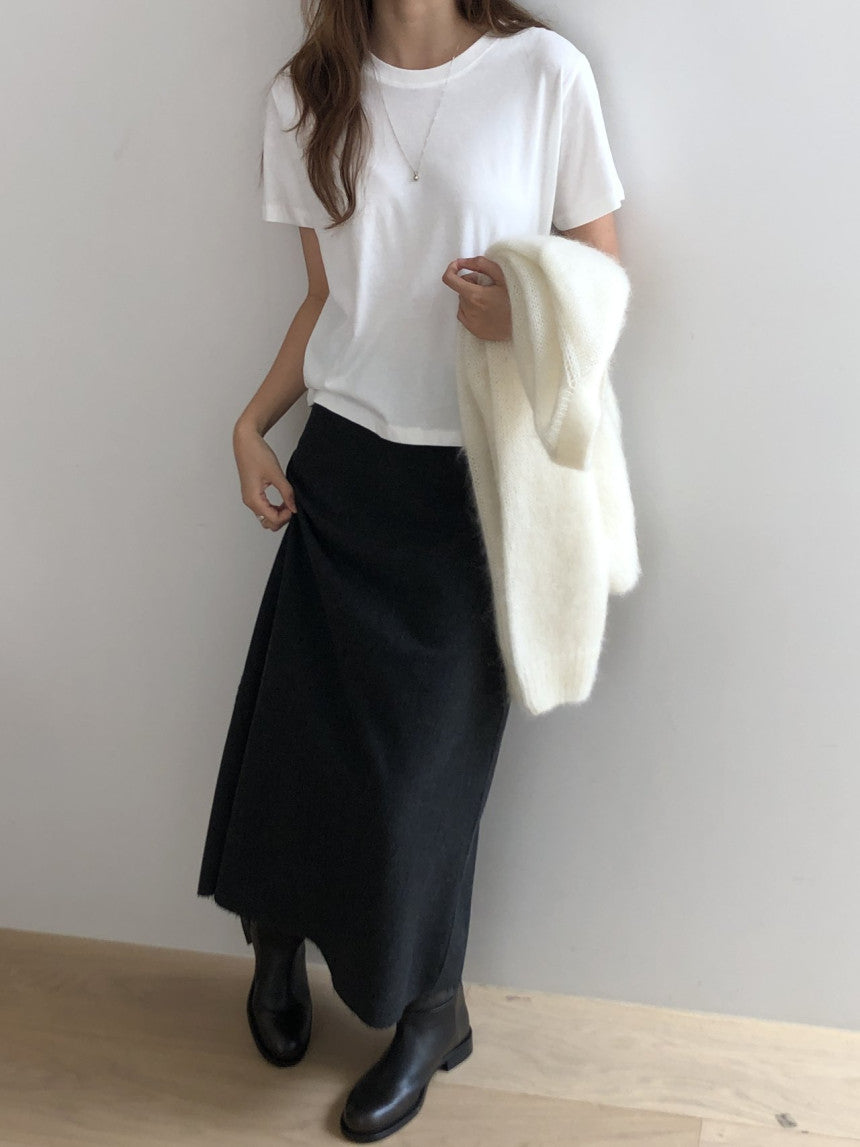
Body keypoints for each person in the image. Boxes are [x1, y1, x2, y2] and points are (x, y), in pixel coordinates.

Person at [196, 0, 625, 1139]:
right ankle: (275, 944)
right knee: (296, 743)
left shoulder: (544, 74)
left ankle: (432, 1010)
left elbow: (602, 268)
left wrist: (520, 317)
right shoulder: (305, 95)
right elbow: (330, 297)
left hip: (471, 482)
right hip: (341, 466)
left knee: (421, 781)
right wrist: (250, 424)